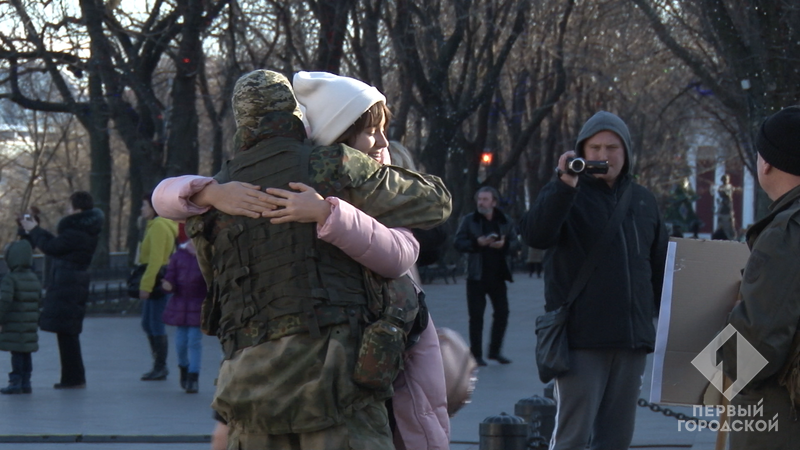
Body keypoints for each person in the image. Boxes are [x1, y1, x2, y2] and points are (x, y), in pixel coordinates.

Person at [173, 70, 449, 449]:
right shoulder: (331, 165)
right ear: (292, 112)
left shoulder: (216, 195)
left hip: (248, 390)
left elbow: (217, 286)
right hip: (334, 383)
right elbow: (436, 203)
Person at [519, 111, 668, 450]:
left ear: (626, 151)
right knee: (572, 437)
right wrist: (562, 185)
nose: (603, 155)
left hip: (631, 341)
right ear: (582, 152)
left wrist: (661, 321)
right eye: (595, 147)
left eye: (612, 147)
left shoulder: (643, 200)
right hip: (580, 341)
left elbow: (659, 266)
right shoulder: (566, 193)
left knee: (616, 439)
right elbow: (535, 235)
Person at [722, 106, 800, 447]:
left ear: (766, 163)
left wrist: (722, 363)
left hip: (778, 415)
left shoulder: (787, 231)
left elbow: (757, 342)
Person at [20, 191, 104, 389]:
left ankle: (73, 378)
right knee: (68, 332)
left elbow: (52, 247)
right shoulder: (84, 230)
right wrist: (36, 229)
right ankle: (73, 377)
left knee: (67, 334)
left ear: (77, 209)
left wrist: (34, 230)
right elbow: (56, 244)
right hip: (73, 283)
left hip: (69, 284)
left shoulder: (76, 232)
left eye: (69, 206)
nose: (67, 210)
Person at [454, 186, 516, 366]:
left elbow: (516, 243)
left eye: (485, 199)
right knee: (476, 316)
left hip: (498, 276)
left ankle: (495, 351)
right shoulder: (469, 220)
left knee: (502, 313)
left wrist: (503, 245)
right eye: (479, 199)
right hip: (476, 276)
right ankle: (476, 354)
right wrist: (477, 243)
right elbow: (458, 242)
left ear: (494, 202)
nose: (481, 203)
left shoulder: (504, 221)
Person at [138, 193, 178, 381]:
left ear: (154, 208)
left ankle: (160, 366)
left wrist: (145, 285)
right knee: (148, 323)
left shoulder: (159, 227)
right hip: (157, 278)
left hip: (156, 280)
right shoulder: (154, 225)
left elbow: (155, 260)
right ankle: (158, 364)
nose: (142, 209)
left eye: (145, 206)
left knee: (155, 323)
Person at [160, 227, 205, 393]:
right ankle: (183, 367)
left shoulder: (207, 255)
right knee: (180, 342)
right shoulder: (179, 256)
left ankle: (193, 376)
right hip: (180, 304)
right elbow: (170, 277)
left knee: (194, 341)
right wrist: (167, 284)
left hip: (198, 304)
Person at [0, 239, 42, 394]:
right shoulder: (33, 277)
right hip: (29, 323)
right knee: (26, 353)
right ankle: (26, 381)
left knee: (16, 353)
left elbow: (4, 301)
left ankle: (15, 382)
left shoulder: (10, 279)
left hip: (14, 323)